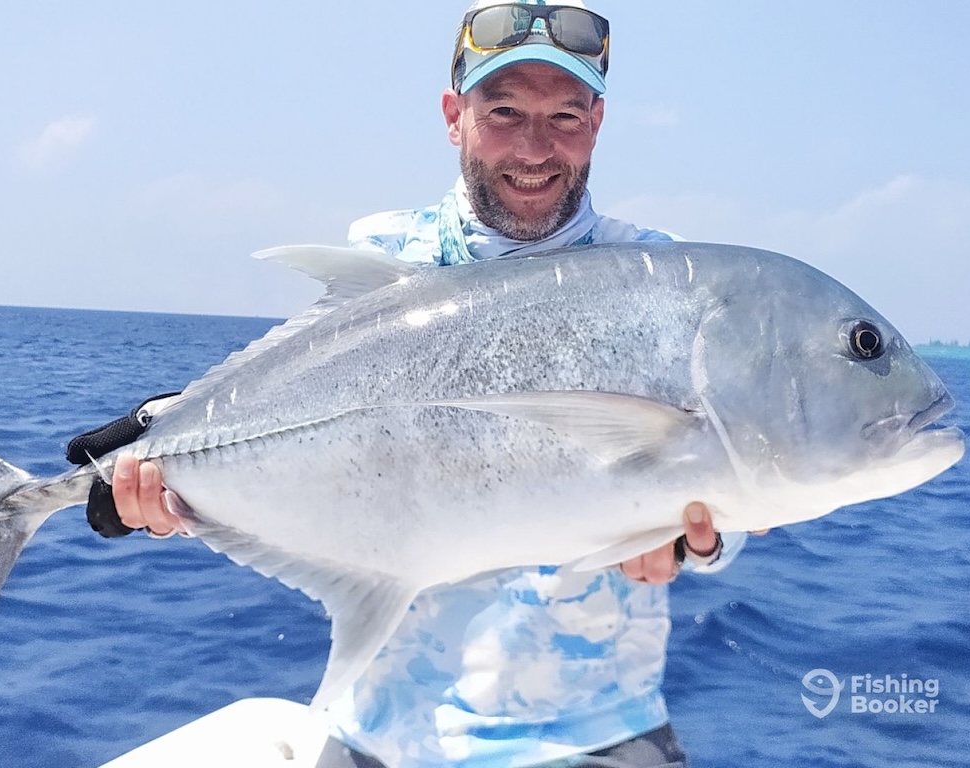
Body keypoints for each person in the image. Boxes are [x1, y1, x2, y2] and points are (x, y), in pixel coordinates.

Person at [90, 2, 756, 765]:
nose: (535, 147)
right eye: (504, 111)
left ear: (598, 122)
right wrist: (170, 463)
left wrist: (697, 541)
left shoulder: (664, 276)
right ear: (454, 115)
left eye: (564, 116)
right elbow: (304, 418)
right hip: (388, 734)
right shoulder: (391, 256)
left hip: (599, 731)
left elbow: (730, 491)